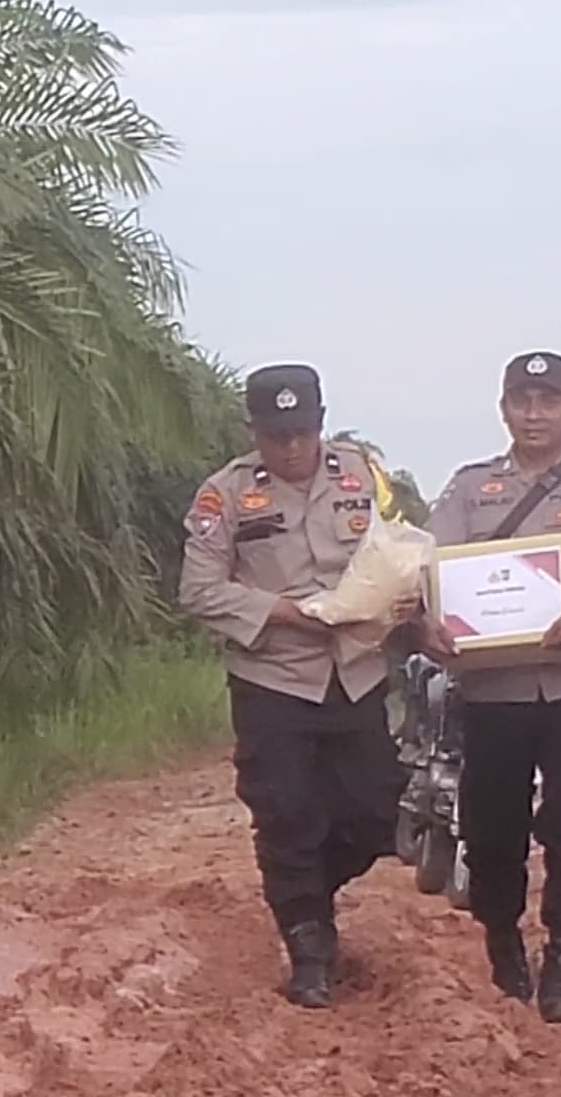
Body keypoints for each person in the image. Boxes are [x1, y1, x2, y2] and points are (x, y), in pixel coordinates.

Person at [176, 364, 418, 1008]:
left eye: (303, 432)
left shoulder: (360, 475)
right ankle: (308, 948)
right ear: (254, 430)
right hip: (273, 679)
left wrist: (404, 600)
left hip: (356, 671)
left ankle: (308, 889)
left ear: (322, 421)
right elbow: (198, 589)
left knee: (378, 812)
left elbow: (400, 549)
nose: (292, 449)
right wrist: (283, 611)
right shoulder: (224, 495)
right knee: (286, 815)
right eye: (277, 435)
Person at [423, 351, 561, 1025]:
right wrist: (430, 620)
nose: (535, 413)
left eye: (549, 400)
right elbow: (437, 562)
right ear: (503, 408)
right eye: (522, 400)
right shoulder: (467, 488)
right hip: (495, 687)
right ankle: (502, 948)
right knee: (491, 827)